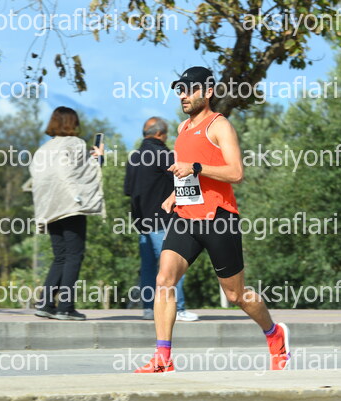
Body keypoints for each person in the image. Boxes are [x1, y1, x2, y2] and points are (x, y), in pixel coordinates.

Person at [134, 66, 289, 373]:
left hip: (219, 219)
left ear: (207, 92)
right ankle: (163, 357)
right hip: (185, 218)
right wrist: (176, 194)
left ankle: (274, 333)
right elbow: (189, 174)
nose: (183, 95)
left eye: (189, 89)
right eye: (180, 90)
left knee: (236, 295)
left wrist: (196, 166)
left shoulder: (220, 126)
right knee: (164, 280)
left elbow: (236, 172)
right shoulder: (182, 128)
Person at [30, 106, 105, 321]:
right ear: (73, 123)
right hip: (71, 206)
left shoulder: (43, 149)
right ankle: (65, 307)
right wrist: (99, 158)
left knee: (60, 256)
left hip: (49, 208)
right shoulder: (75, 143)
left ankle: (45, 303)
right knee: (74, 255)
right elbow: (86, 173)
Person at [124, 116, 199, 322]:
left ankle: (149, 309)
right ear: (159, 134)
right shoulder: (164, 155)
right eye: (166, 134)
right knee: (173, 266)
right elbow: (182, 182)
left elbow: (128, 190)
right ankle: (178, 308)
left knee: (148, 268)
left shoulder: (133, 158)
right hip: (164, 221)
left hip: (142, 223)